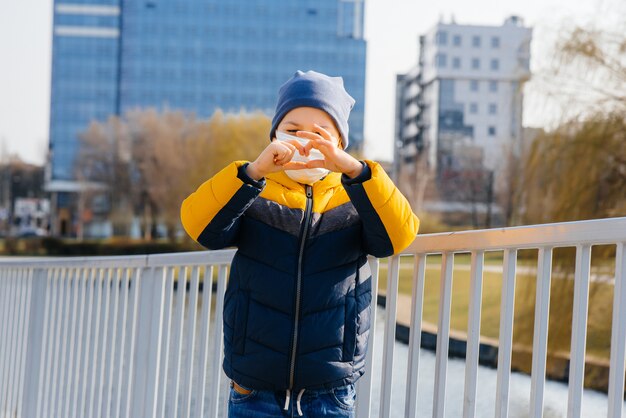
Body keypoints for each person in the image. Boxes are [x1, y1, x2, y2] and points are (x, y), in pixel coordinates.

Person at [180, 70, 419, 417]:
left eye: (321, 134)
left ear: (339, 144)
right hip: (255, 388)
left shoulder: (355, 197)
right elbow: (199, 225)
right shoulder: (255, 191)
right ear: (275, 134)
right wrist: (253, 171)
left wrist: (356, 172)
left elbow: (399, 235)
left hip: (330, 389)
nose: (305, 142)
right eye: (292, 130)